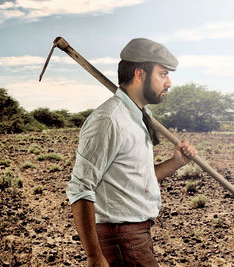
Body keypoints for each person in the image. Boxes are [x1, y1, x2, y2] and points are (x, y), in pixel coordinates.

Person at [66, 38, 197, 267]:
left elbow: (136, 179)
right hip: (121, 239)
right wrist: (94, 257)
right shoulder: (109, 120)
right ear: (140, 74)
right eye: (163, 74)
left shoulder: (137, 118)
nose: (169, 82)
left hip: (134, 237)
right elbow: (80, 188)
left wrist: (176, 162)